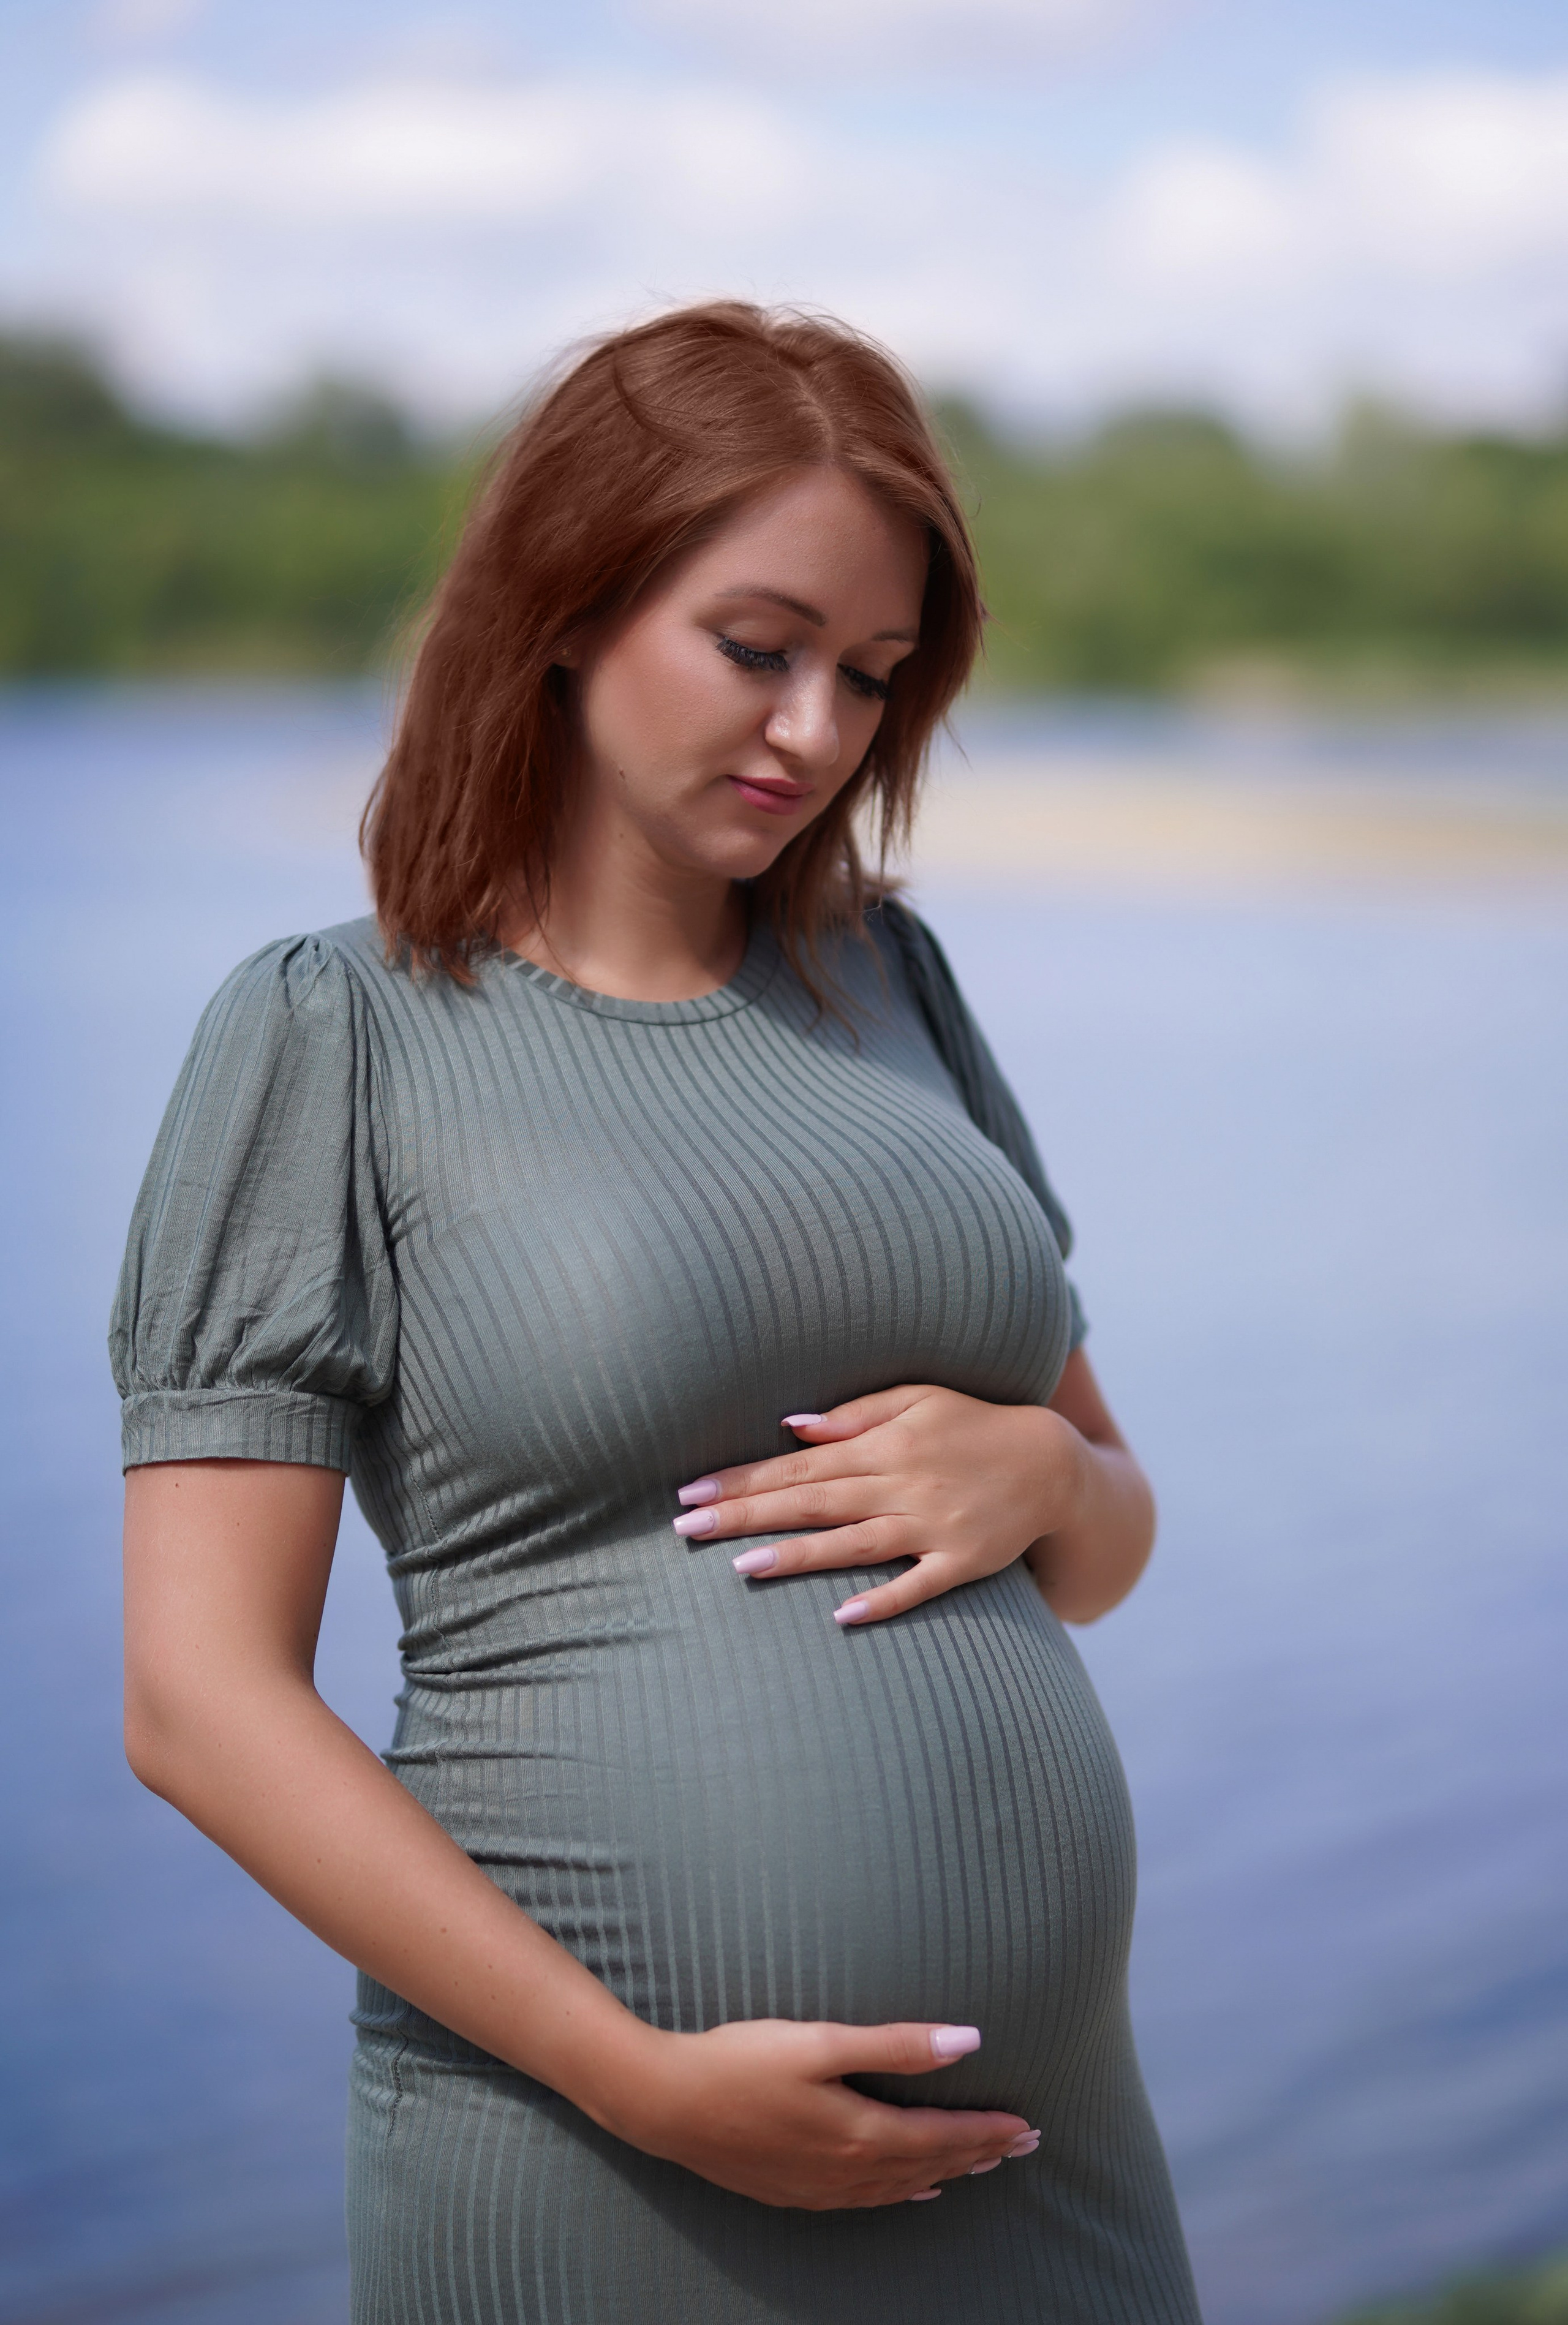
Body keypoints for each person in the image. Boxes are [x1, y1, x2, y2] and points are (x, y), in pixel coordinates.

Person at [112, 302, 1200, 2324]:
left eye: (872, 676)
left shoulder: (894, 985)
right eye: (755, 645)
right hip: (598, 2164)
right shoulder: (330, 1032)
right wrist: (642, 2079)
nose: (818, 732)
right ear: (567, 603)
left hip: (1049, 2174)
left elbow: (1113, 1540)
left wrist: (1045, 1460)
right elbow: (199, 1702)